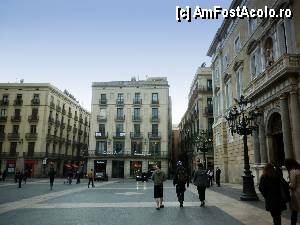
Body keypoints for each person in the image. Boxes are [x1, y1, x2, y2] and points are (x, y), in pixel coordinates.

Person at [285, 159, 300, 225]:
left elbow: (293, 185)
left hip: (296, 193)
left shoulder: (292, 172)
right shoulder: (299, 169)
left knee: (294, 212)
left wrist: (288, 185)